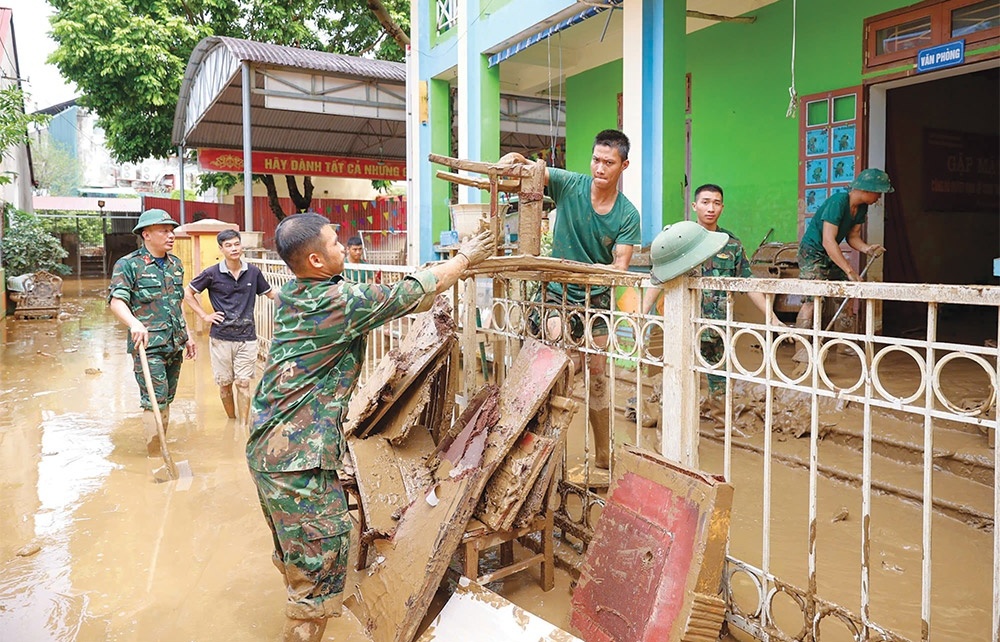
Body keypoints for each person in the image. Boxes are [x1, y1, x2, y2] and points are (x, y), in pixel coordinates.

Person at [246, 213, 495, 642]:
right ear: (316, 260)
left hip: (270, 451)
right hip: (297, 461)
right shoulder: (336, 302)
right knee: (320, 573)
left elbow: (391, 291)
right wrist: (464, 259)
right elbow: (409, 294)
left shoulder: (296, 294)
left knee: (299, 557)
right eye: (335, 242)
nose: (344, 247)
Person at [507, 129, 641, 470]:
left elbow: (620, 267)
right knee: (561, 366)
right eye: (596, 160)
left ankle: (601, 455)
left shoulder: (627, 215)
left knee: (598, 374)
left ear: (623, 165)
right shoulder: (571, 185)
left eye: (609, 162)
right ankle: (546, 456)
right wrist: (517, 161)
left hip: (597, 300)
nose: (600, 167)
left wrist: (595, 270)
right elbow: (533, 170)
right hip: (557, 295)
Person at [689, 184, 784, 420]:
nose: (711, 208)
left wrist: (772, 317)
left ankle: (721, 423)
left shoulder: (731, 244)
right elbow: (662, 275)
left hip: (719, 324)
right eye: (705, 202)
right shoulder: (683, 240)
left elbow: (748, 283)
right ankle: (679, 424)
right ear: (694, 206)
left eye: (716, 203)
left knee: (719, 374)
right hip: (687, 321)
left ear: (722, 207)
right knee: (682, 371)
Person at [108, 208, 197, 456]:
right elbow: (117, 300)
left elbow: (177, 303)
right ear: (146, 234)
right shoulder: (129, 265)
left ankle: (161, 444)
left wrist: (188, 335)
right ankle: (156, 454)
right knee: (154, 400)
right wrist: (134, 323)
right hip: (148, 346)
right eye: (164, 231)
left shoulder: (175, 265)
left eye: (172, 231)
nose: (171, 235)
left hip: (175, 343)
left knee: (167, 398)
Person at [793, 168, 891, 359]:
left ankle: (844, 344)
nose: (879, 198)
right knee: (812, 300)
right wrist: (848, 270)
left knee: (846, 293)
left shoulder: (862, 208)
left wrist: (867, 249)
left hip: (829, 251)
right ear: (867, 190)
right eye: (878, 193)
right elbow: (828, 241)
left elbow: (852, 236)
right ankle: (801, 349)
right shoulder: (838, 202)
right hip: (812, 251)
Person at [183, 229, 275, 424]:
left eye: (236, 244)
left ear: (241, 246)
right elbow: (188, 293)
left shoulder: (253, 272)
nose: (234, 248)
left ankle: (241, 428)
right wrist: (204, 315)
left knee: (243, 383)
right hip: (221, 338)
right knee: (225, 385)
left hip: (247, 337)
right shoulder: (211, 273)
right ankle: (232, 420)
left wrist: (300, 297)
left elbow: (271, 294)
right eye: (228, 245)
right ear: (221, 249)